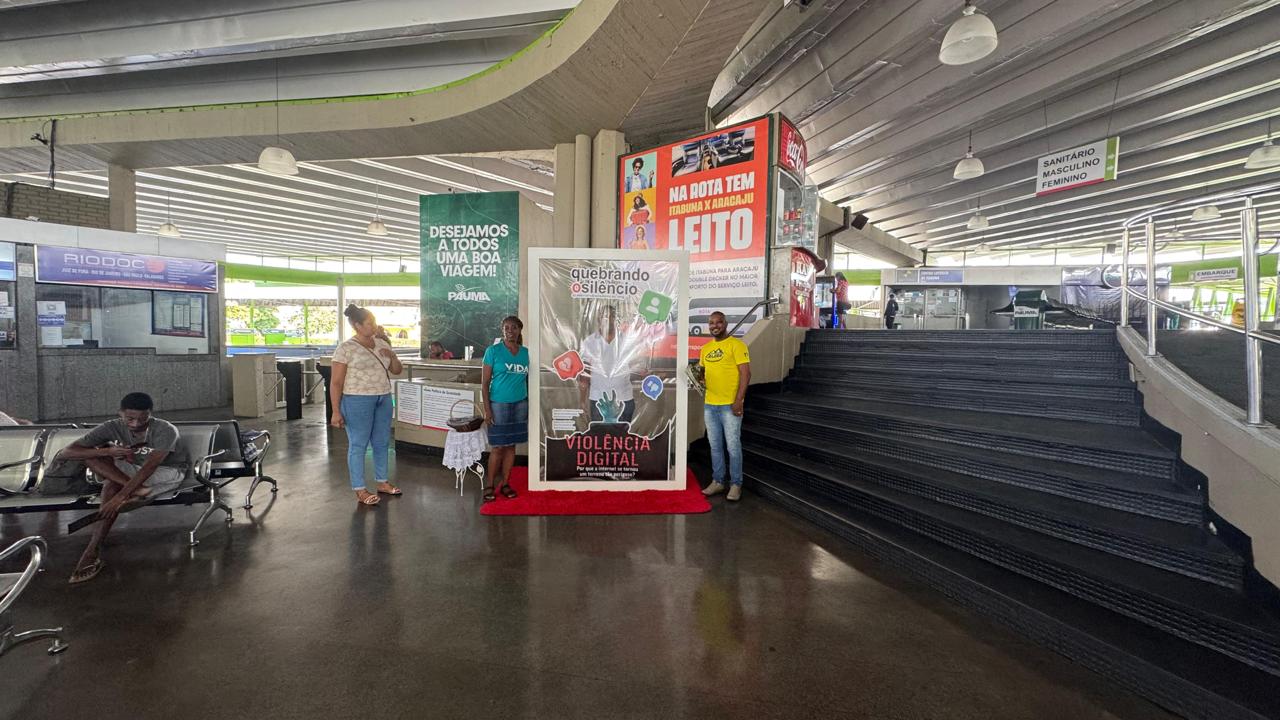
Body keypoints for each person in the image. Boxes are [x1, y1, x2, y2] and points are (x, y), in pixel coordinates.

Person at [60, 392, 190, 584]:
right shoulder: (111, 426)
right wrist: (108, 451)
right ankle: (138, 491)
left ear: (150, 414)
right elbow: (67, 452)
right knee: (90, 456)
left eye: (143, 419)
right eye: (130, 418)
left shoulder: (165, 430)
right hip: (133, 470)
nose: (136, 424)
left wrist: (120, 497)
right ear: (120, 413)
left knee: (111, 485)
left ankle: (92, 550)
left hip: (168, 472)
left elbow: (149, 467)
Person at [330, 303, 403, 506]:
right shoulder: (345, 348)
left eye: (374, 321)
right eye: (369, 323)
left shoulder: (381, 344)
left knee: (381, 442)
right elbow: (336, 382)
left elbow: (397, 370)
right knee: (358, 444)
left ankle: (382, 481)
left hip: (383, 398)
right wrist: (336, 411)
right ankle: (360, 489)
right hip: (356, 400)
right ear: (357, 325)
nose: (374, 325)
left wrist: (393, 356)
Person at [699, 311, 751, 502]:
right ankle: (718, 481)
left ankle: (736, 484)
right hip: (710, 405)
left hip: (730, 405)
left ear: (726, 324)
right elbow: (702, 373)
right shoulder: (705, 349)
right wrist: (699, 379)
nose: (715, 326)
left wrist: (739, 400)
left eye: (718, 322)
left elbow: (746, 374)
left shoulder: (737, 345)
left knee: (733, 446)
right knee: (715, 446)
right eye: (711, 323)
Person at [481, 316, 529, 503]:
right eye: (507, 328)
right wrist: (487, 410)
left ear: (519, 330)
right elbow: (485, 383)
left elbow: (529, 380)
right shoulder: (493, 351)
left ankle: (506, 483)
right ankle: (490, 485)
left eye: (514, 327)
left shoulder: (526, 353)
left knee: (511, 446)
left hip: (520, 404)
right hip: (498, 405)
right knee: (498, 447)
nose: (510, 331)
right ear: (502, 330)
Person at [579, 305, 637, 424]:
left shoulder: (627, 340)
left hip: (624, 398)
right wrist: (582, 400)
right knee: (600, 435)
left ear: (616, 319)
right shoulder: (590, 342)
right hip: (598, 399)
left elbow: (636, 366)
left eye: (612, 316)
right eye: (605, 316)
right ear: (598, 319)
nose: (609, 320)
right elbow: (585, 373)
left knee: (623, 435)